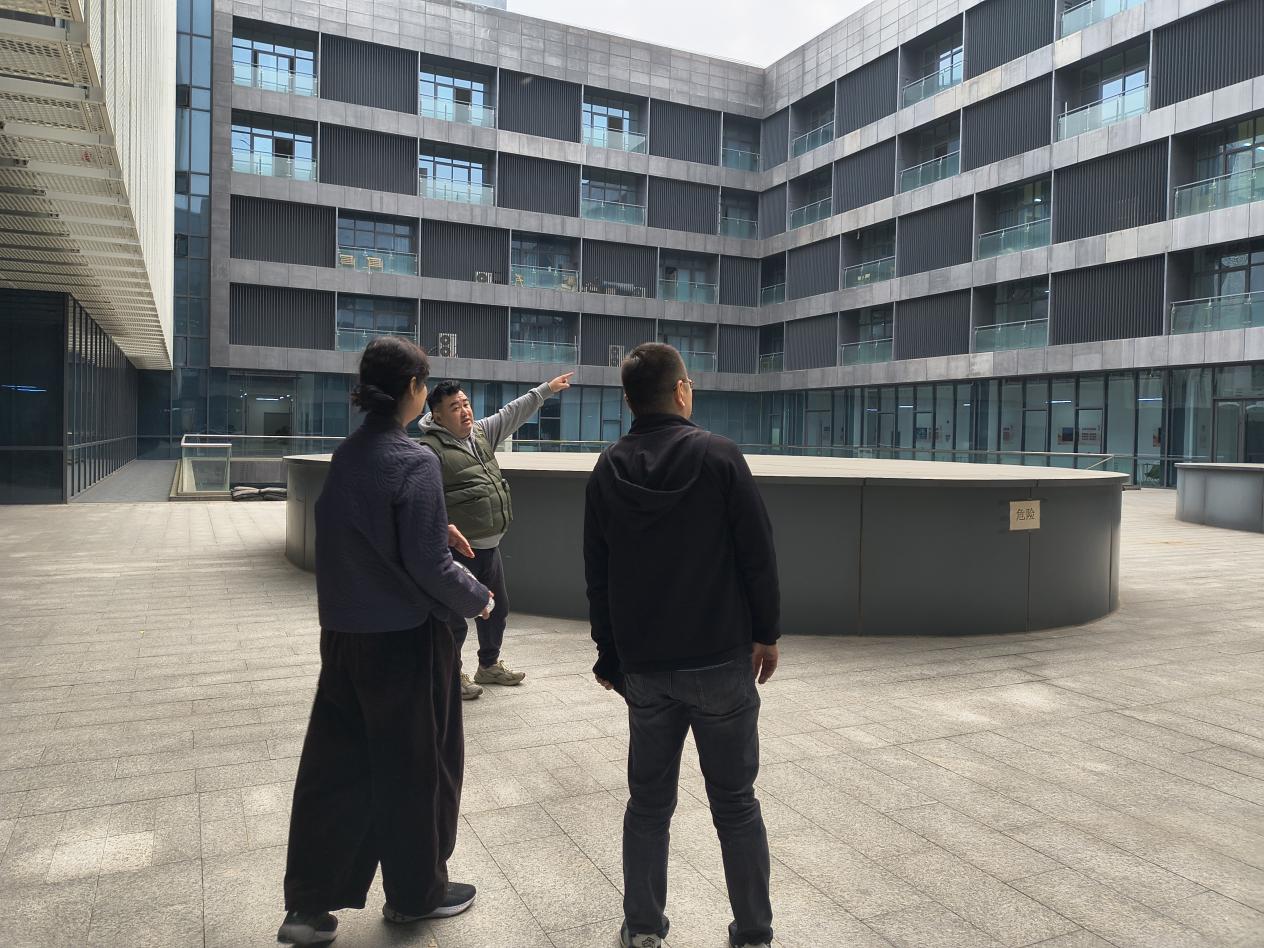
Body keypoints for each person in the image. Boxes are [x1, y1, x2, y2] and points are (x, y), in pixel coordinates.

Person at [277, 337, 494, 946]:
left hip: (344, 639)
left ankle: (307, 908)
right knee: (416, 770)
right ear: (413, 389)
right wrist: (478, 597)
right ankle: (416, 894)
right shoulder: (414, 460)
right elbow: (429, 566)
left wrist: (432, 525)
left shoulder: (347, 454)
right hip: (404, 644)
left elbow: (358, 531)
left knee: (333, 770)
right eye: (425, 384)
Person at [584, 343, 781, 948]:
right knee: (736, 804)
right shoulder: (720, 456)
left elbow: (598, 572)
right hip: (721, 658)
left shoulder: (607, 468)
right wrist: (766, 633)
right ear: (681, 391)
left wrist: (608, 653)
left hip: (645, 667)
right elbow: (757, 554)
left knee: (647, 805)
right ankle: (753, 931)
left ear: (628, 401)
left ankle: (644, 927)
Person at [419, 373, 573, 699]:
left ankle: (488, 666)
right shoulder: (429, 450)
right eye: (454, 407)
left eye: (466, 404)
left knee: (497, 610)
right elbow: (424, 503)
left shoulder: (480, 433)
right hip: (457, 550)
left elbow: (511, 412)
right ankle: (450, 674)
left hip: (490, 547)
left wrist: (545, 390)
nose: (465, 411)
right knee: (453, 618)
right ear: (437, 416)